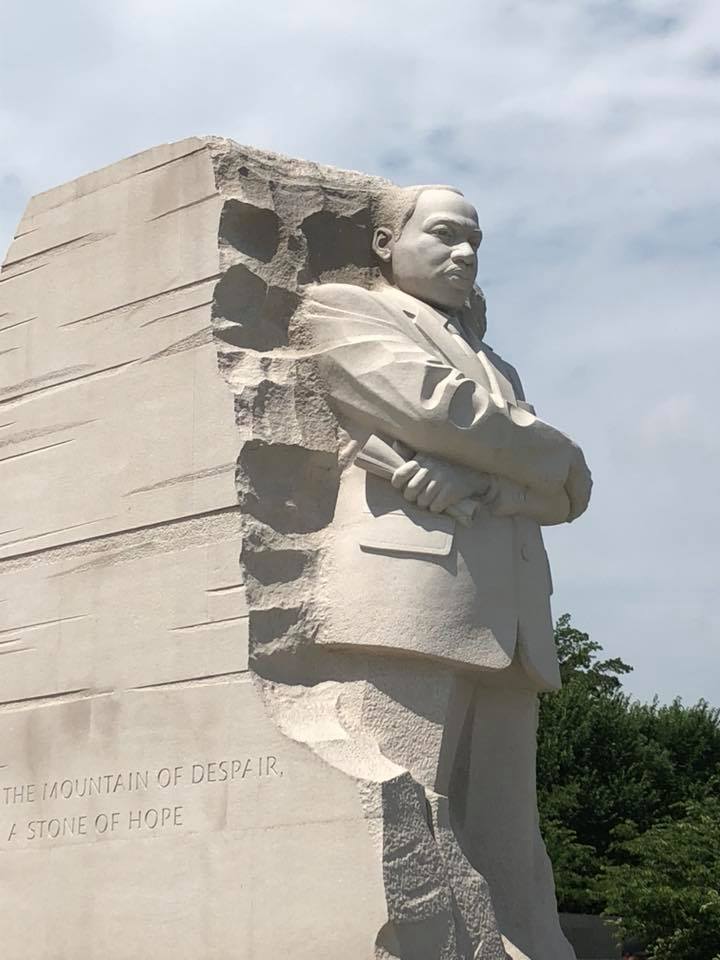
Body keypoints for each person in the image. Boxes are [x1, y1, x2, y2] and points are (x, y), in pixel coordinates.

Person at [293, 184, 592, 959]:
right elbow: (436, 409)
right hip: (413, 595)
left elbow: (570, 495)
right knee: (403, 805)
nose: (466, 254)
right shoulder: (344, 309)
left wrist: (487, 480)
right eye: (446, 236)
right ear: (388, 243)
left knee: (510, 839)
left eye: (476, 243)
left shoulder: (499, 368)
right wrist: (545, 456)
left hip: (514, 615)